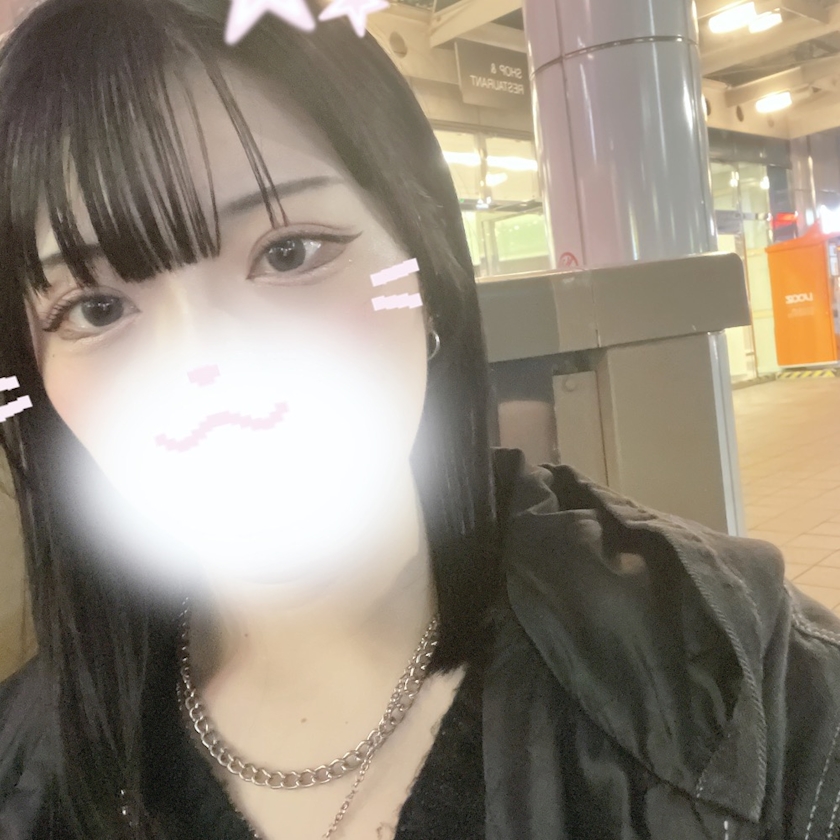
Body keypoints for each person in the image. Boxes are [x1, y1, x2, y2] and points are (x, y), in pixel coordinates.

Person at [0, 0, 839, 838]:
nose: (203, 370)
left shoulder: (744, 691)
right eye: (96, 308)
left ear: (426, 271)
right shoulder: (27, 772)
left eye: (289, 251)